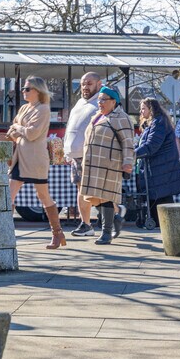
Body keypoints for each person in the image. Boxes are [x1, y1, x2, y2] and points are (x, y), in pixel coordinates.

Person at [2, 76, 65, 249]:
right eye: (23, 88)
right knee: (9, 193)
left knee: (43, 196)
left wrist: (18, 129)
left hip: (35, 159)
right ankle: (5, 232)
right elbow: (11, 131)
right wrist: (18, 130)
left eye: (27, 89)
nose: (24, 91)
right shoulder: (24, 108)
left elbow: (32, 133)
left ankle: (57, 233)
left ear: (38, 91)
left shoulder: (44, 109)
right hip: (19, 157)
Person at [79, 86, 134, 245]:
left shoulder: (121, 118)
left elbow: (128, 142)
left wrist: (127, 162)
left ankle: (106, 233)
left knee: (106, 197)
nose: (100, 103)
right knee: (96, 197)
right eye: (99, 99)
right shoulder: (97, 116)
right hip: (93, 164)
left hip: (110, 164)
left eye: (104, 100)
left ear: (113, 101)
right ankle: (115, 219)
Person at [63, 72, 101, 237]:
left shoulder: (102, 102)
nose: (85, 87)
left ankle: (115, 210)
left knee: (91, 191)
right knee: (81, 190)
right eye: (83, 83)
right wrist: (66, 150)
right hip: (76, 155)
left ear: (99, 84)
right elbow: (71, 126)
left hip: (91, 155)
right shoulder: (79, 102)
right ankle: (86, 224)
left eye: (89, 83)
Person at [135, 98, 180, 227]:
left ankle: (164, 224)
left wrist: (132, 154)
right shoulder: (155, 122)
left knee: (161, 197)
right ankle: (158, 222)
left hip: (162, 166)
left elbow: (151, 145)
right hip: (160, 166)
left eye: (144, 108)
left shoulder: (159, 122)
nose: (141, 111)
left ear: (151, 109)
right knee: (158, 196)